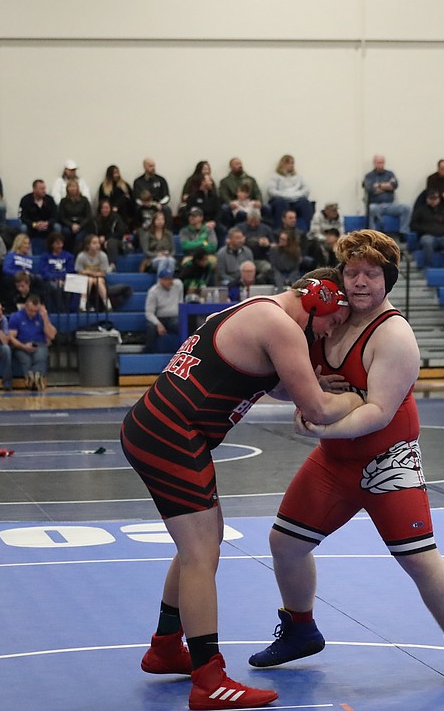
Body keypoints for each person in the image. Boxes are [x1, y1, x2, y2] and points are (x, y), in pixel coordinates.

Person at [252, 230, 444, 687]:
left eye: (371, 274)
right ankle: (301, 628)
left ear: (388, 279)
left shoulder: (395, 334)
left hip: (386, 460)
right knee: (286, 543)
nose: (359, 282)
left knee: (418, 558)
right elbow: (284, 381)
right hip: (335, 459)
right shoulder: (328, 319)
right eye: (352, 272)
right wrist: (307, 398)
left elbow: (378, 413)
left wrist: (320, 421)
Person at [122, 268, 359, 711]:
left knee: (202, 542)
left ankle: (167, 647)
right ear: (319, 301)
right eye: (333, 321)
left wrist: (313, 385)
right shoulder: (282, 327)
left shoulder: (262, 308)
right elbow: (317, 410)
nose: (330, 333)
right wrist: (364, 400)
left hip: (162, 428)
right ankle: (209, 679)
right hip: (173, 435)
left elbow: (274, 383)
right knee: (200, 554)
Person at [8, 294, 57, 391]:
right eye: (31, 310)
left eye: (35, 311)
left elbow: (52, 335)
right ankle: (37, 378)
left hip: (39, 344)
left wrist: (45, 319)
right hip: (21, 345)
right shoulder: (16, 317)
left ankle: (32, 378)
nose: (33, 313)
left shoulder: (41, 316)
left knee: (40, 356)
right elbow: (11, 337)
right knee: (26, 360)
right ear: (25, 306)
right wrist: (23, 346)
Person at [363, 154, 410, 241]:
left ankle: (403, 233)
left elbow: (394, 185)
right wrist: (387, 186)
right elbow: (370, 189)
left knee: (406, 208)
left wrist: (379, 185)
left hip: (390, 205)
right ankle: (373, 236)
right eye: (378, 162)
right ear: (374, 163)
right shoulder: (369, 176)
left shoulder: (390, 174)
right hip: (376, 205)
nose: (380, 164)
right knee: (372, 208)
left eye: (382, 162)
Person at [410, 190, 444, 268]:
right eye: (431, 199)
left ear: (439, 199)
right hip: (427, 235)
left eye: (435, 199)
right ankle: (428, 267)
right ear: (427, 199)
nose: (433, 201)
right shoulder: (420, 210)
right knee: (427, 242)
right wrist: (425, 229)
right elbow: (413, 225)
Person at [267, 154, 314, 229]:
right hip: (281, 200)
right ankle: (279, 231)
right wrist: (287, 195)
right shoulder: (275, 176)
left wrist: (296, 195)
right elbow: (271, 191)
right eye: (288, 163)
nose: (291, 165)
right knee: (281, 203)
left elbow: (306, 189)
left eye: (292, 163)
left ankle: (305, 231)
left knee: (305, 203)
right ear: (282, 164)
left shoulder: (298, 177)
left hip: (296, 200)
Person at [145, 268, 184, 353]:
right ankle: (149, 353)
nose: (170, 282)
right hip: (160, 318)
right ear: (161, 280)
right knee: (151, 328)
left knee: (182, 325)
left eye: (171, 278)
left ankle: (184, 351)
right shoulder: (153, 291)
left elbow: (181, 301)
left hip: (175, 317)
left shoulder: (178, 285)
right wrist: (158, 324)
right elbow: (149, 313)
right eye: (167, 279)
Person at [75, 234, 111, 311]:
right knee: (89, 280)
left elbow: (103, 273)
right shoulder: (81, 256)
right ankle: (82, 305)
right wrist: (93, 275)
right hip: (83, 279)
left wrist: (88, 272)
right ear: (88, 245)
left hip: (99, 279)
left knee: (99, 280)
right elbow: (79, 272)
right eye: (94, 243)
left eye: (98, 243)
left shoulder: (103, 255)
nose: (97, 245)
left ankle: (108, 305)